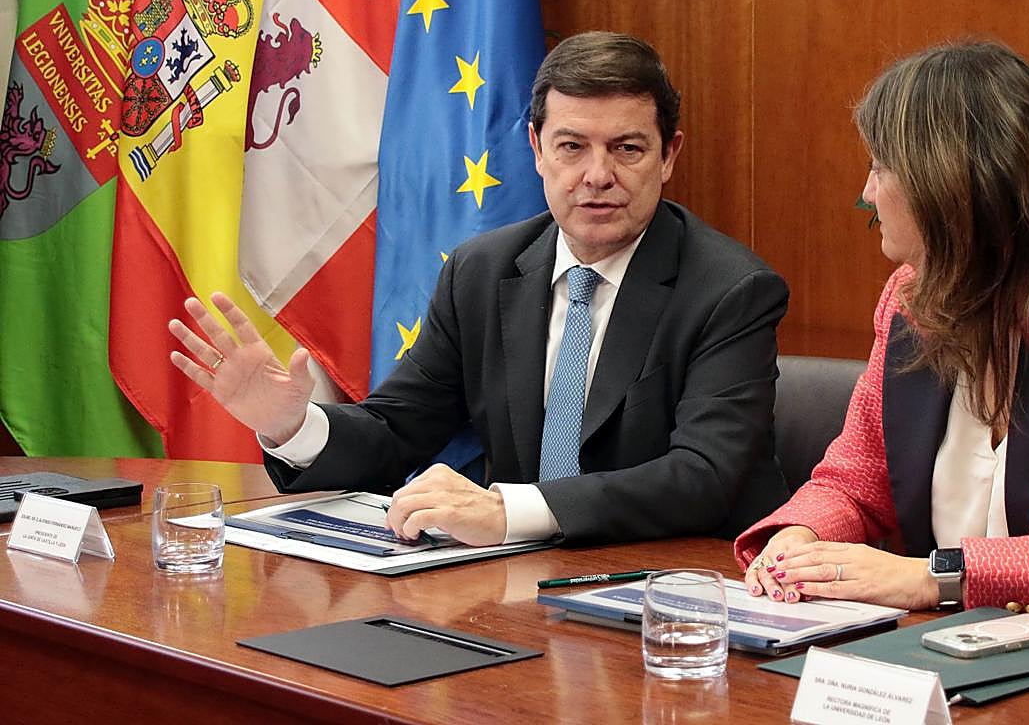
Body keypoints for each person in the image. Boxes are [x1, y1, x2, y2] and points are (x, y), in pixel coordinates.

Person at [170, 31, 790, 548]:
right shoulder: (484, 270)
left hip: (674, 589)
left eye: (626, 149)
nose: (598, 176)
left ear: (668, 155)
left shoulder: (731, 289)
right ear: (536, 149)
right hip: (520, 588)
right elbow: (395, 433)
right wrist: (291, 424)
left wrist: (509, 512)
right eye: (571, 147)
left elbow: (704, 477)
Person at [738, 41, 1029, 619]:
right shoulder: (908, 297)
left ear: (951, 184)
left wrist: (936, 578)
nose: (866, 194)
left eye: (881, 167)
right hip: (935, 660)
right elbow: (855, 478)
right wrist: (799, 539)